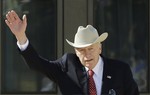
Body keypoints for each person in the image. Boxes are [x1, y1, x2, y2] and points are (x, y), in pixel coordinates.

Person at [5, 10, 139, 95]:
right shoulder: (68, 66)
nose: (87, 54)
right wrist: (21, 37)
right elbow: (38, 64)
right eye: (81, 50)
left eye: (91, 48)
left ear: (100, 48)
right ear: (75, 51)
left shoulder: (120, 70)